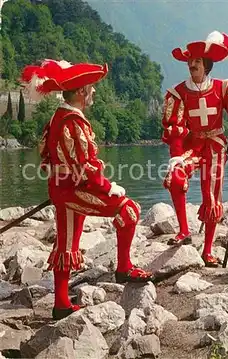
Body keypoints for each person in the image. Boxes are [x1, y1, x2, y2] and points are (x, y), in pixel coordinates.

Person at [21, 59, 153, 320]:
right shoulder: (74, 122)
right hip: (74, 189)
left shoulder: (57, 117)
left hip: (62, 189)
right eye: (91, 88)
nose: (94, 92)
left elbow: (46, 158)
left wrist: (59, 183)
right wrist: (109, 187)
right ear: (81, 92)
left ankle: (61, 303)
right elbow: (87, 167)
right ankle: (124, 268)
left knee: (67, 243)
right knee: (129, 210)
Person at [161, 31, 228, 267]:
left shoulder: (222, 88)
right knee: (176, 178)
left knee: (211, 198)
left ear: (207, 65)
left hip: (215, 146)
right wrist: (176, 156)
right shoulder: (178, 93)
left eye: (197, 62)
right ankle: (183, 230)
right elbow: (175, 129)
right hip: (192, 145)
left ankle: (208, 251)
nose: (192, 65)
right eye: (190, 62)